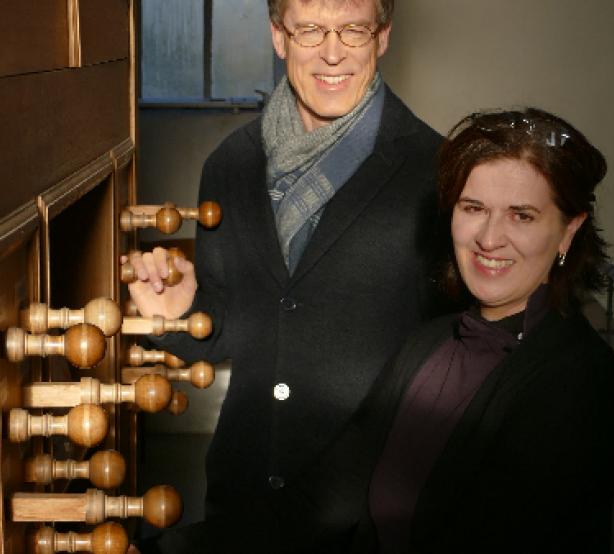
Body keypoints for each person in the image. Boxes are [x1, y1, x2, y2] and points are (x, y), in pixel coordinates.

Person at [141, 107, 614, 553]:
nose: (488, 237)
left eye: (522, 215)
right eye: (473, 208)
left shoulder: (582, 380)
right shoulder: (429, 345)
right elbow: (322, 502)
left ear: (568, 230)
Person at [125, 0, 444, 527]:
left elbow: (453, 358)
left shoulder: (435, 173)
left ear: (383, 37)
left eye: (353, 30)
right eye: (311, 30)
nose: (333, 53)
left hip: (371, 517)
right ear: (279, 36)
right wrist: (179, 314)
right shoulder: (230, 165)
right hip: (244, 499)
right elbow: (234, 325)